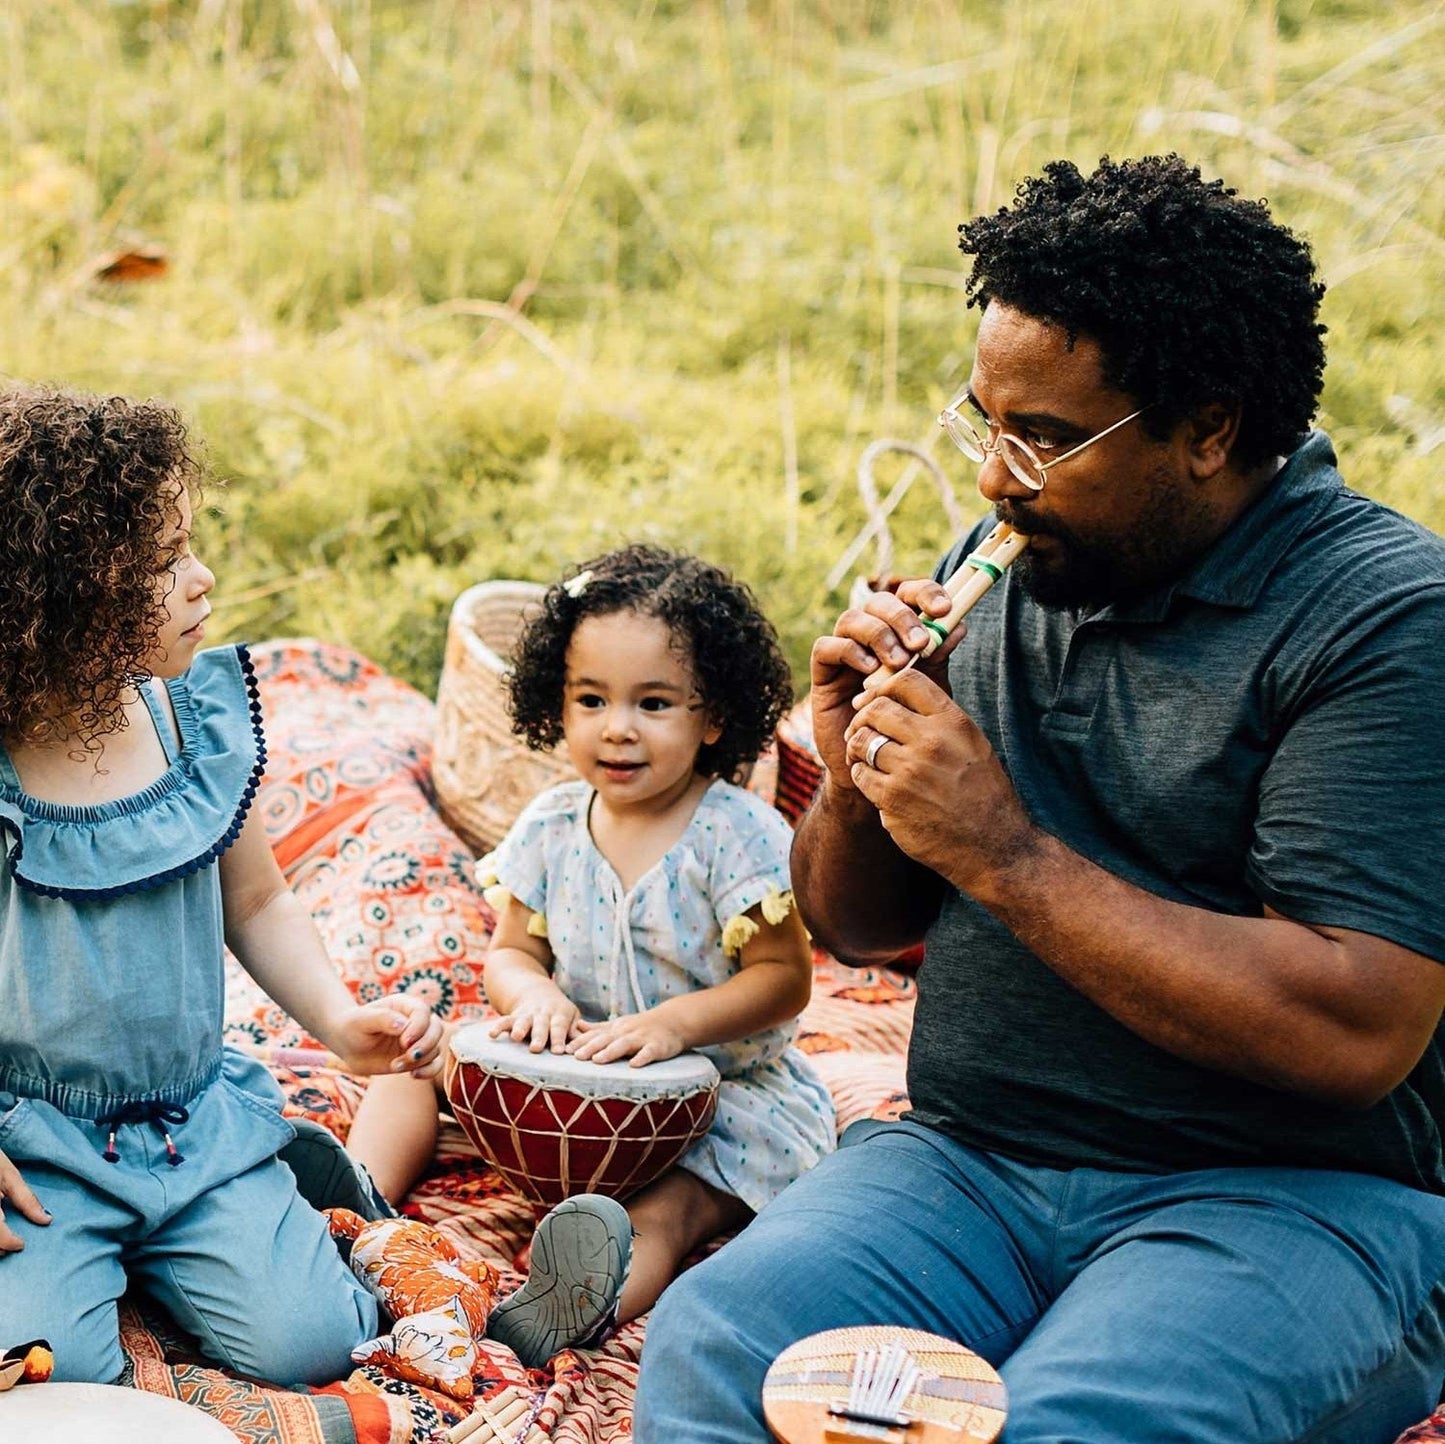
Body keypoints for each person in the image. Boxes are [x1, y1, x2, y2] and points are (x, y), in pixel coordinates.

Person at [634, 154, 1445, 1444]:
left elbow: (1353, 1030)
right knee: (717, 1348)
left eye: (1048, 439)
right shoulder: (1019, 561)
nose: (993, 481)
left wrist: (1007, 853)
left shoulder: (1385, 618)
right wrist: (855, 773)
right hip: (967, 1160)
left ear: (1211, 430)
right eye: (982, 423)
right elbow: (849, 927)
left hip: (1279, 1199)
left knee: (1071, 1425)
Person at [0, 388, 445, 1387]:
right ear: (58, 597)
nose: (202, 579)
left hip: (190, 1121)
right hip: (35, 1143)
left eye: (190, 545)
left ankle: (281, 1176)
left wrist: (337, 1020)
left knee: (314, 1342)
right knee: (44, 1367)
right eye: (162, 561)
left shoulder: (188, 726)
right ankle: (134, 1254)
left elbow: (258, 902)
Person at [346, 543, 836, 1368]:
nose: (617, 727)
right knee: (411, 1063)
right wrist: (529, 994)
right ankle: (353, 1201)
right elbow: (509, 953)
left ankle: (571, 1302)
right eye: (590, 699)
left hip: (711, 1100)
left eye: (653, 703)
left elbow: (786, 981)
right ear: (555, 706)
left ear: (712, 717)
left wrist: (677, 1026)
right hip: (562, 1077)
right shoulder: (551, 823)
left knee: (673, 1207)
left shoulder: (736, 832)